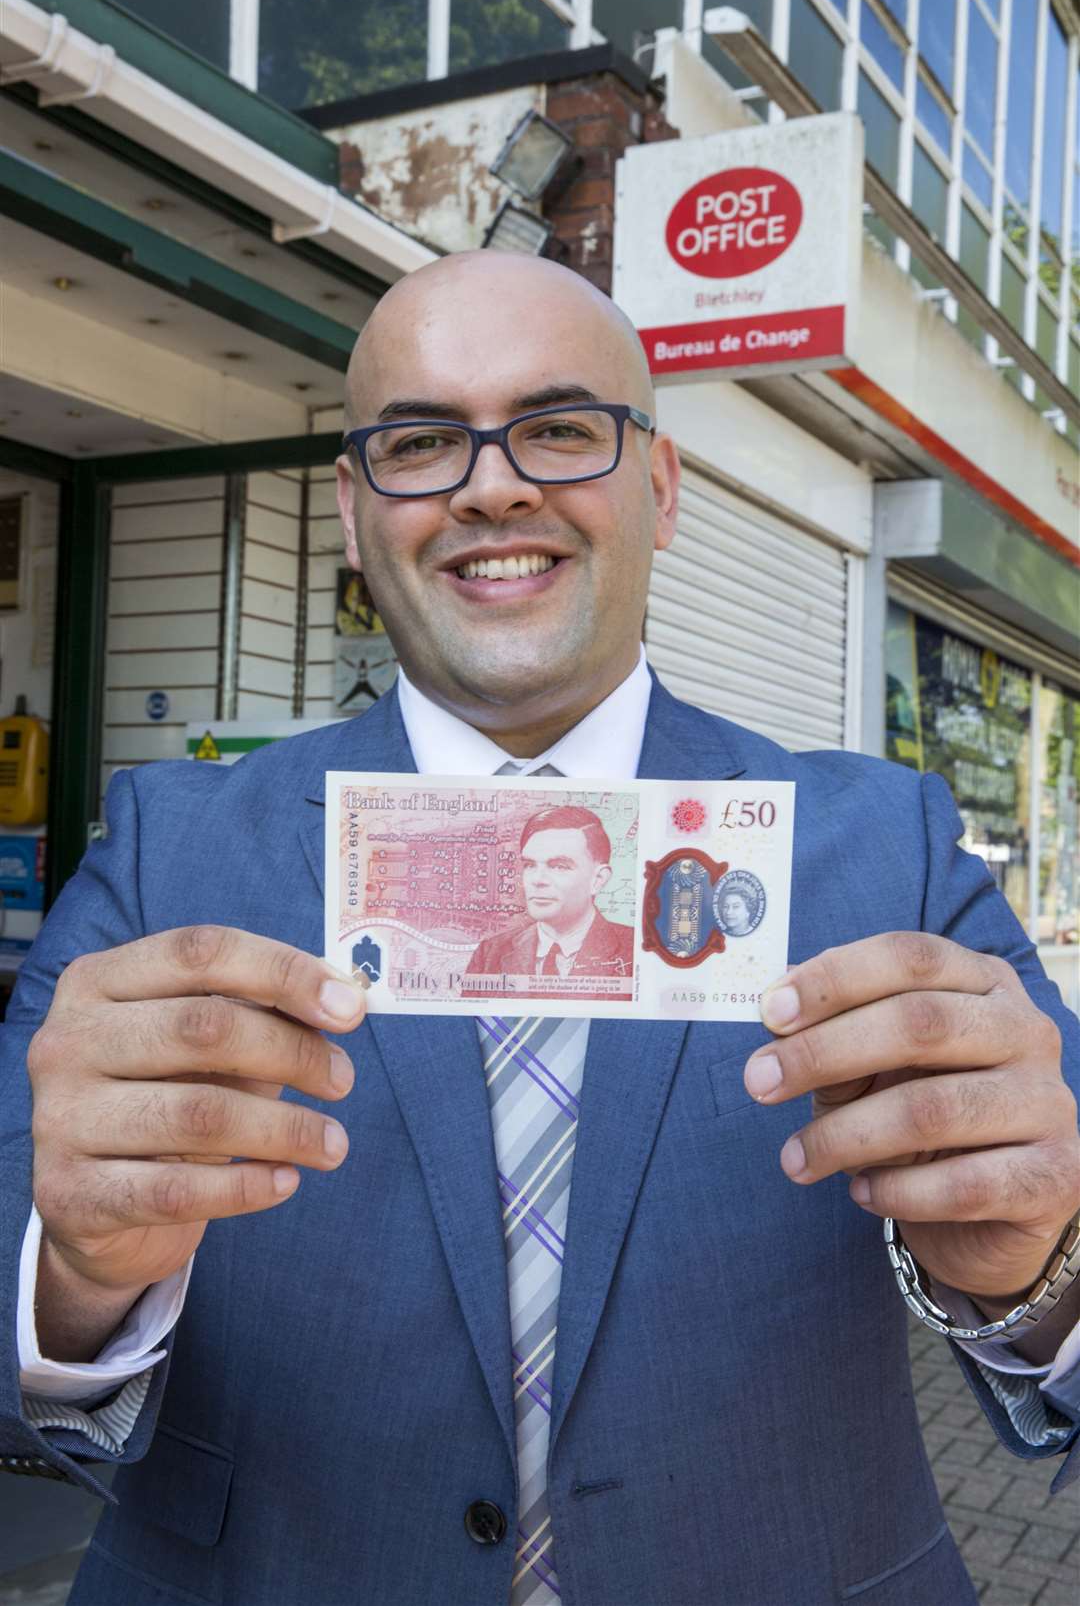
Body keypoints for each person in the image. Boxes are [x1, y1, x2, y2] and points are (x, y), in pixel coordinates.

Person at [1, 251, 1077, 1606]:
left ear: (662, 486)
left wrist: (1038, 1272)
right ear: (351, 508)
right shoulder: (172, 851)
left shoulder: (896, 854)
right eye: (422, 440)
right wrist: (76, 1277)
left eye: (560, 428)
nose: (491, 483)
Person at [464, 805, 634, 988]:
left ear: (598, 880)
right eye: (529, 865)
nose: (537, 880)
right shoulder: (489, 954)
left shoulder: (635, 951)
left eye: (559, 866)